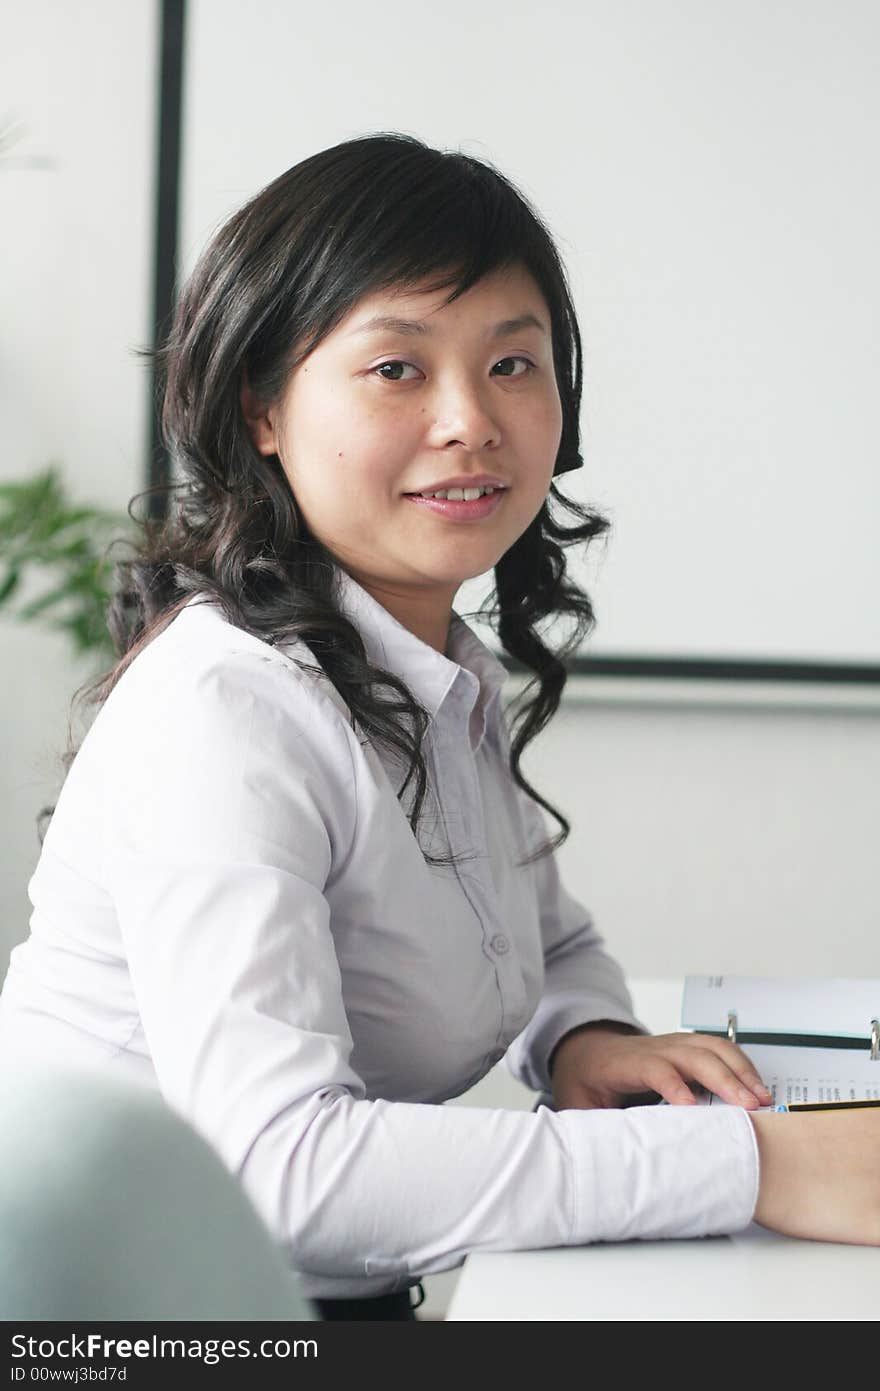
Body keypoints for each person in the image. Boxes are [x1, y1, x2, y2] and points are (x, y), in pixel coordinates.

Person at [1, 133, 877, 1323]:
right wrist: (761, 1165)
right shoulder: (226, 708)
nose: (470, 419)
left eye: (513, 362)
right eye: (397, 369)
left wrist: (588, 1035)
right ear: (262, 407)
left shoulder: (423, 668)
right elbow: (283, 1175)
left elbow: (547, 941)